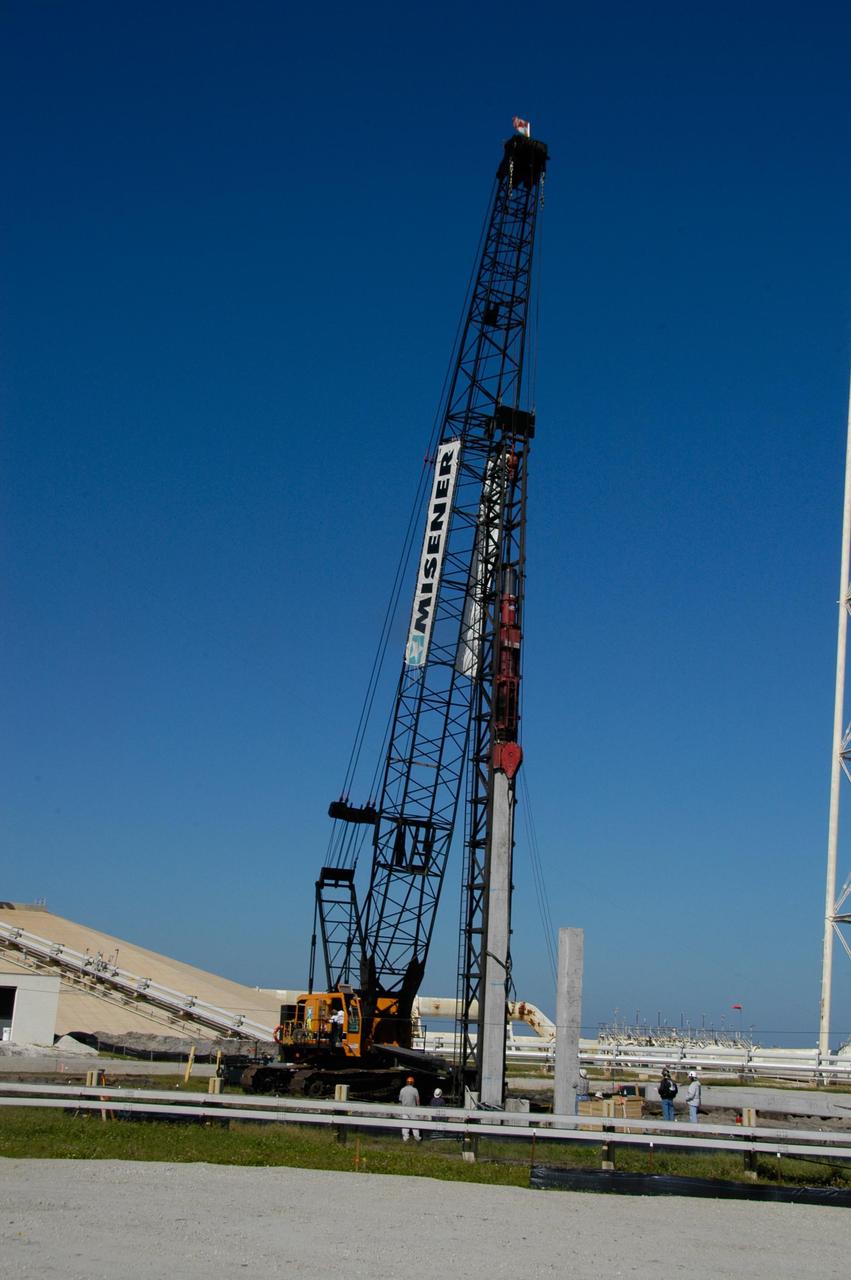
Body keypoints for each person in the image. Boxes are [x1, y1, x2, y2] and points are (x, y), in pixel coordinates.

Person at [399, 1075, 421, 1141]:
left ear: (407, 1082)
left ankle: (405, 1138)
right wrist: (419, 1109)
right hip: (413, 1109)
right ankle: (417, 1138)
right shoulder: (415, 1090)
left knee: (405, 1125)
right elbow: (418, 1101)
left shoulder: (402, 1089)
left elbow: (400, 1100)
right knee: (415, 1124)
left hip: (404, 1109)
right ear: (412, 1083)